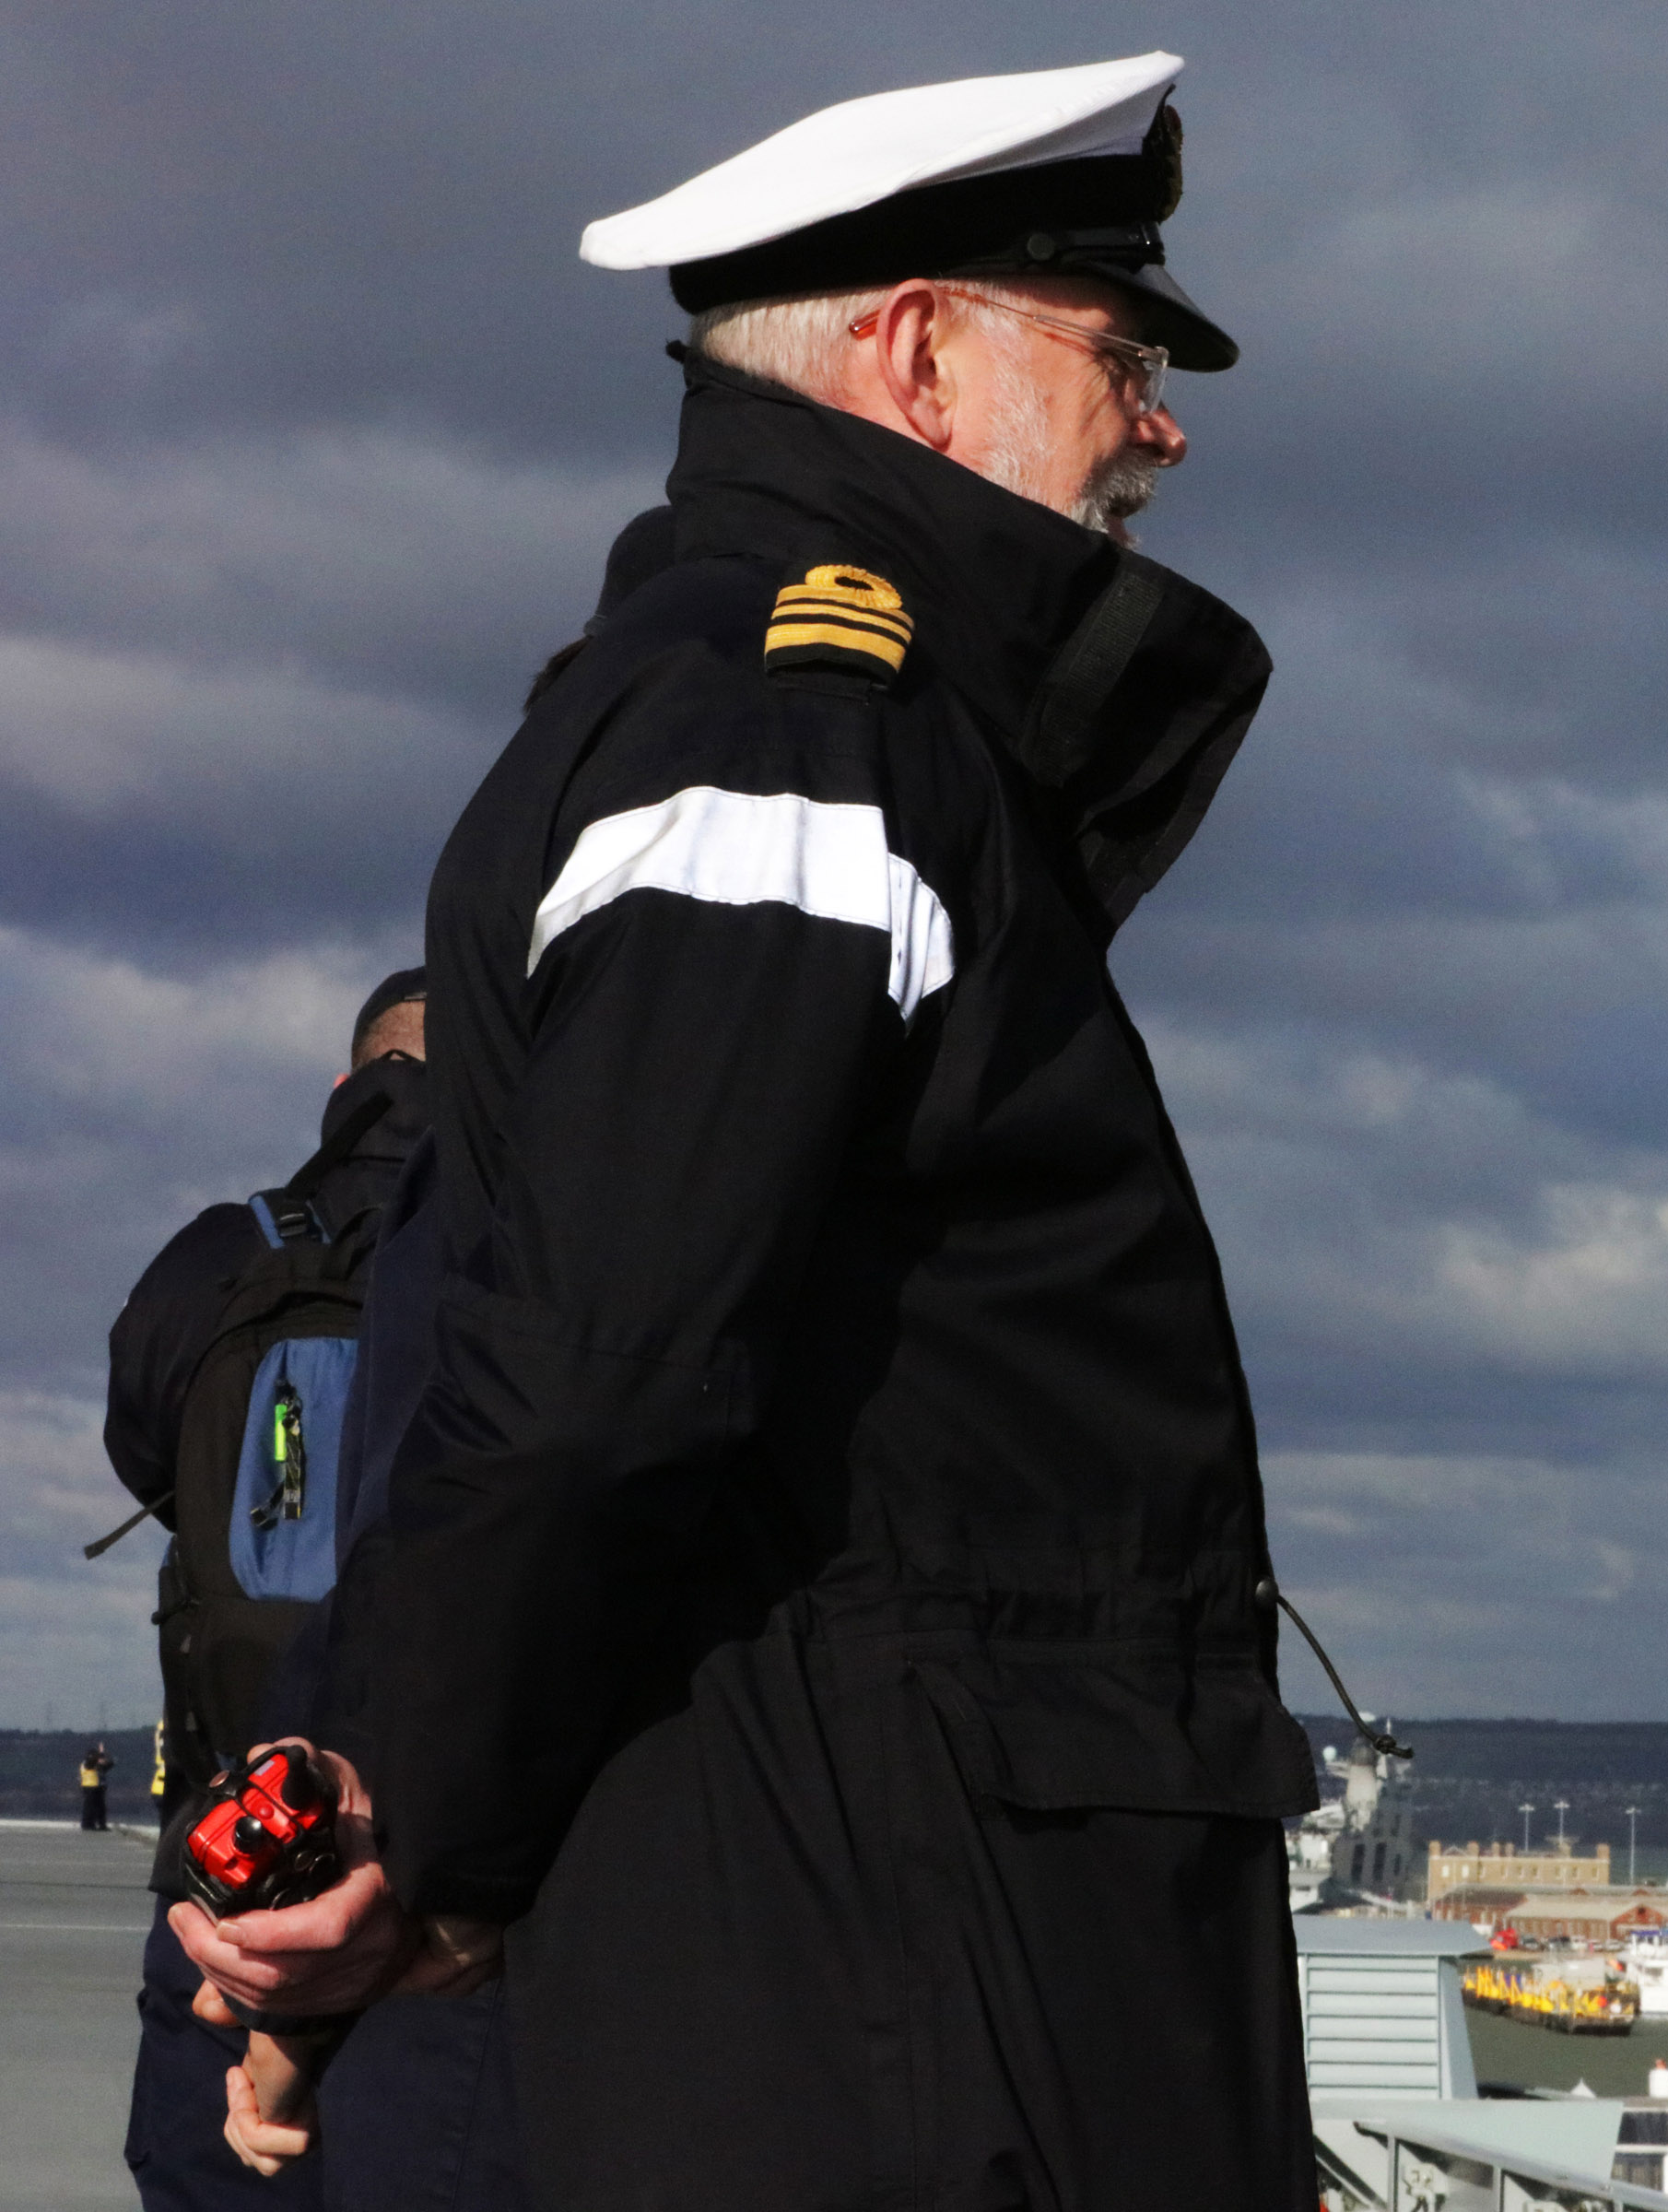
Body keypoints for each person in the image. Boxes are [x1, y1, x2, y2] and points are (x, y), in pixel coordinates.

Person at [177, 53, 1324, 2206]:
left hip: (894, 1933)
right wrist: (398, 1848)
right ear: (907, 350)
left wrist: (400, 1848)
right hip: (918, 1968)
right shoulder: (792, 728)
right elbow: (602, 1361)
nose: (1157, 420)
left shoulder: (786, 712)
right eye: (1110, 346)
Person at [106, 973, 426, 2210]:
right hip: (476, 1881)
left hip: (234, 1858)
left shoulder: (227, 1252)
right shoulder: (547, 1236)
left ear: (346, 1091)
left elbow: (146, 1446)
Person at [81, 1739, 115, 1830]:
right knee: (89, 1808)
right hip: (89, 1787)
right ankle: (87, 1825)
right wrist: (101, 1753)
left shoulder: (97, 1765)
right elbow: (93, 1762)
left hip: (97, 1788)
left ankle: (102, 1824)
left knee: (100, 1807)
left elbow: (108, 1765)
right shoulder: (87, 1764)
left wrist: (104, 1759)